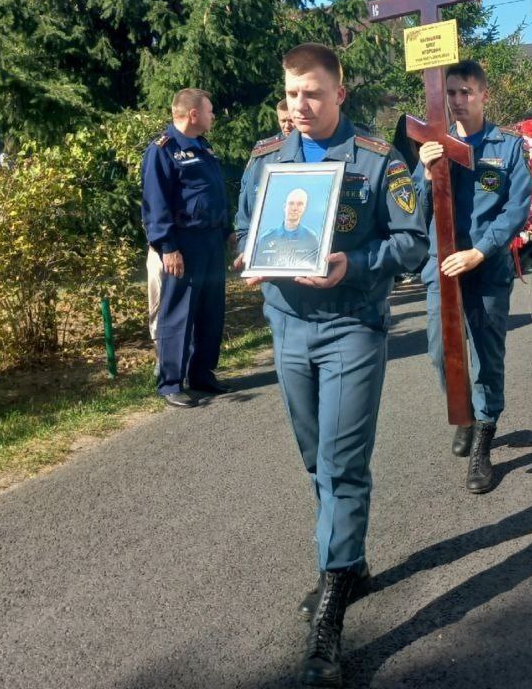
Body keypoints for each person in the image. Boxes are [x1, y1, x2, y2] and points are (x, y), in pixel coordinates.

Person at [235, 43, 426, 688]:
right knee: (315, 459)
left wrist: (357, 265)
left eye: (313, 93)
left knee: (343, 466)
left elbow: (412, 241)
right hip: (286, 326)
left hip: (351, 326)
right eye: (291, 94)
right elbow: (244, 226)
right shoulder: (266, 161)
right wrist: (250, 254)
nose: (301, 106)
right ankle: (351, 558)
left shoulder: (376, 160)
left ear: (340, 93)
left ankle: (331, 610)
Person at [413, 60, 531, 493]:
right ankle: (461, 410)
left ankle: (483, 434)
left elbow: (517, 209)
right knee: (438, 351)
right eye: (452, 94)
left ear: (483, 95)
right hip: (441, 267)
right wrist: (425, 173)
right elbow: (415, 210)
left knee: (485, 353)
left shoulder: (508, 147)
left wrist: (479, 252)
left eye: (466, 93)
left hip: (486, 266)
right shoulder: (433, 144)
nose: (458, 101)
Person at [141, 89, 232, 408]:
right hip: (183, 242)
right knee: (178, 311)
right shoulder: (162, 150)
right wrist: (168, 247)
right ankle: (170, 383)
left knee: (210, 309)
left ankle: (202, 374)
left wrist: (228, 230)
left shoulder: (203, 146)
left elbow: (213, 193)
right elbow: (155, 202)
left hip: (211, 239)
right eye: (209, 111)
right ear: (193, 114)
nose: (213, 116)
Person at [255, 188, 321, 269]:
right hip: (271, 281)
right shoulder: (266, 239)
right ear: (284, 207)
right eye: (291, 203)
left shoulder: (311, 238)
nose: (294, 208)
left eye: (300, 204)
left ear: (304, 208)